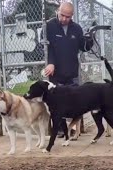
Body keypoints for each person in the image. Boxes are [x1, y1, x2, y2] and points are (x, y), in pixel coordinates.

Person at [43, 2, 93, 138]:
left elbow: (83, 47)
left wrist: (89, 40)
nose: (64, 19)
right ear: (57, 11)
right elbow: (47, 48)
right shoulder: (49, 26)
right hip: (55, 71)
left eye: (68, 17)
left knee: (76, 100)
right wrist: (50, 63)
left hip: (71, 71)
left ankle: (75, 129)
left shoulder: (76, 28)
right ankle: (60, 130)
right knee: (57, 101)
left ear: (72, 16)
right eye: (62, 15)